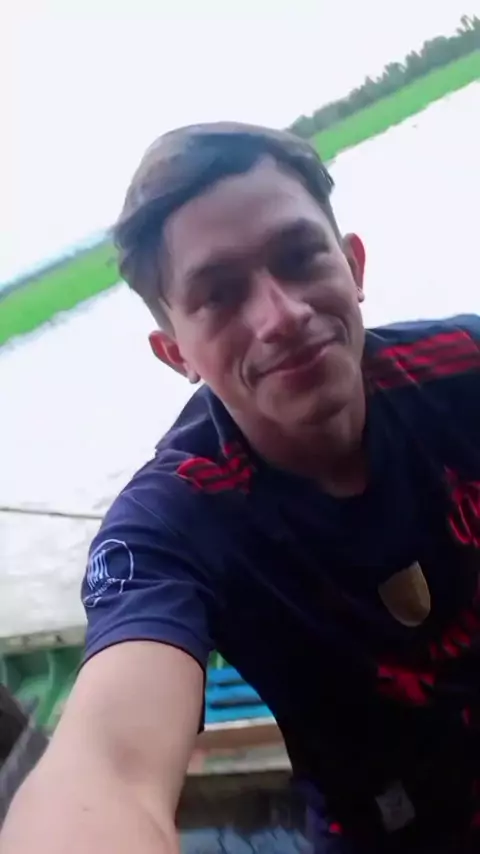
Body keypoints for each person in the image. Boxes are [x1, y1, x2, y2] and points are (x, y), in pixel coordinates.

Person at [2, 122, 480, 854]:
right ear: (176, 353)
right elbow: (107, 767)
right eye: (220, 295)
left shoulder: (463, 366)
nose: (281, 316)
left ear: (352, 265)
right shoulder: (170, 523)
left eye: (299, 257)